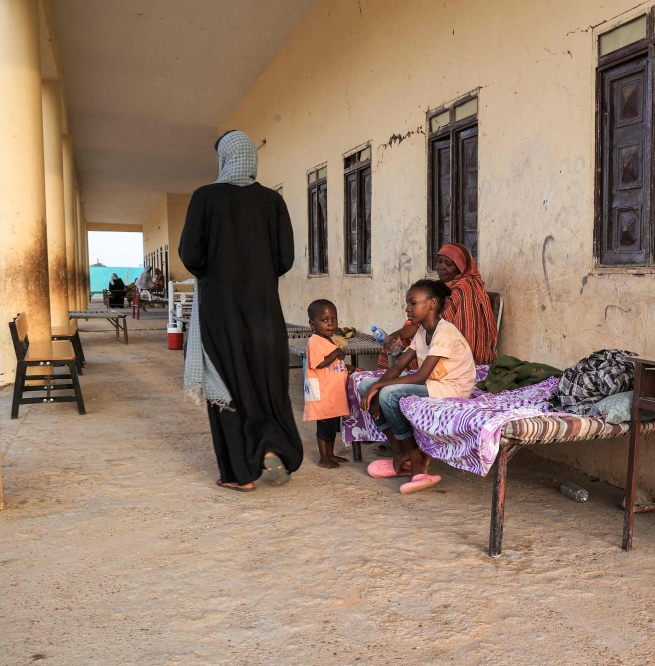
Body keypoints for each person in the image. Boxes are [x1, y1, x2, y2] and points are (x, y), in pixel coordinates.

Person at [179, 130, 303, 492]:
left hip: (220, 310)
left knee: (226, 384)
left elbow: (191, 256)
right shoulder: (272, 201)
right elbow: (285, 258)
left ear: (223, 159)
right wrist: (257, 273)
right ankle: (270, 449)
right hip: (264, 310)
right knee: (265, 384)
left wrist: (221, 269)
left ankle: (239, 474)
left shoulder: (205, 197)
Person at [359, 279, 476, 493]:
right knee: (365, 384)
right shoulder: (422, 332)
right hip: (435, 384)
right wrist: (374, 386)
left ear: (432, 304)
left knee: (388, 394)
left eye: (413, 303)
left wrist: (380, 387)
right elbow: (400, 365)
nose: (407, 308)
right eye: (407, 303)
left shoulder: (445, 331)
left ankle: (415, 456)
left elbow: (420, 376)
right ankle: (399, 451)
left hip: (453, 388)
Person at [377, 242, 497, 369]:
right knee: (390, 352)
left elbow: (435, 324)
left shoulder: (463, 288)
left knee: (407, 360)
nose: (441, 267)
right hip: (432, 336)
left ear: (460, 268)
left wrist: (401, 335)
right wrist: (398, 335)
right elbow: (422, 322)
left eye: (448, 264)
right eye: (439, 261)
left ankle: (391, 386)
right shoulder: (443, 287)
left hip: (455, 349)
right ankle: (387, 385)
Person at [304, 299, 352, 469]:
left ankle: (330, 454)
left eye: (333, 319)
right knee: (324, 427)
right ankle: (324, 458)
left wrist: (349, 367)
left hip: (332, 393)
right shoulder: (315, 340)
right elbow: (320, 363)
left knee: (332, 427)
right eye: (324, 320)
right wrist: (338, 352)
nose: (330, 324)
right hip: (323, 393)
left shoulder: (329, 339)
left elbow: (333, 365)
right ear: (312, 323)